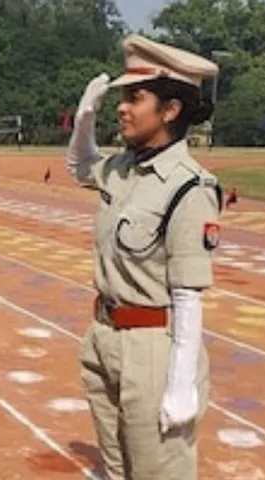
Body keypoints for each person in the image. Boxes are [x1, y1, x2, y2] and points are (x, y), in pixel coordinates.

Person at [66, 34, 222, 480]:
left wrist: (179, 386)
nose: (123, 107)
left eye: (136, 97)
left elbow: (188, 295)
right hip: (104, 336)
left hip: (153, 348)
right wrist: (84, 122)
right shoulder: (124, 168)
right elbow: (79, 167)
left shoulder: (190, 188)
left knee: (158, 473)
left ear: (170, 110)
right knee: (116, 470)